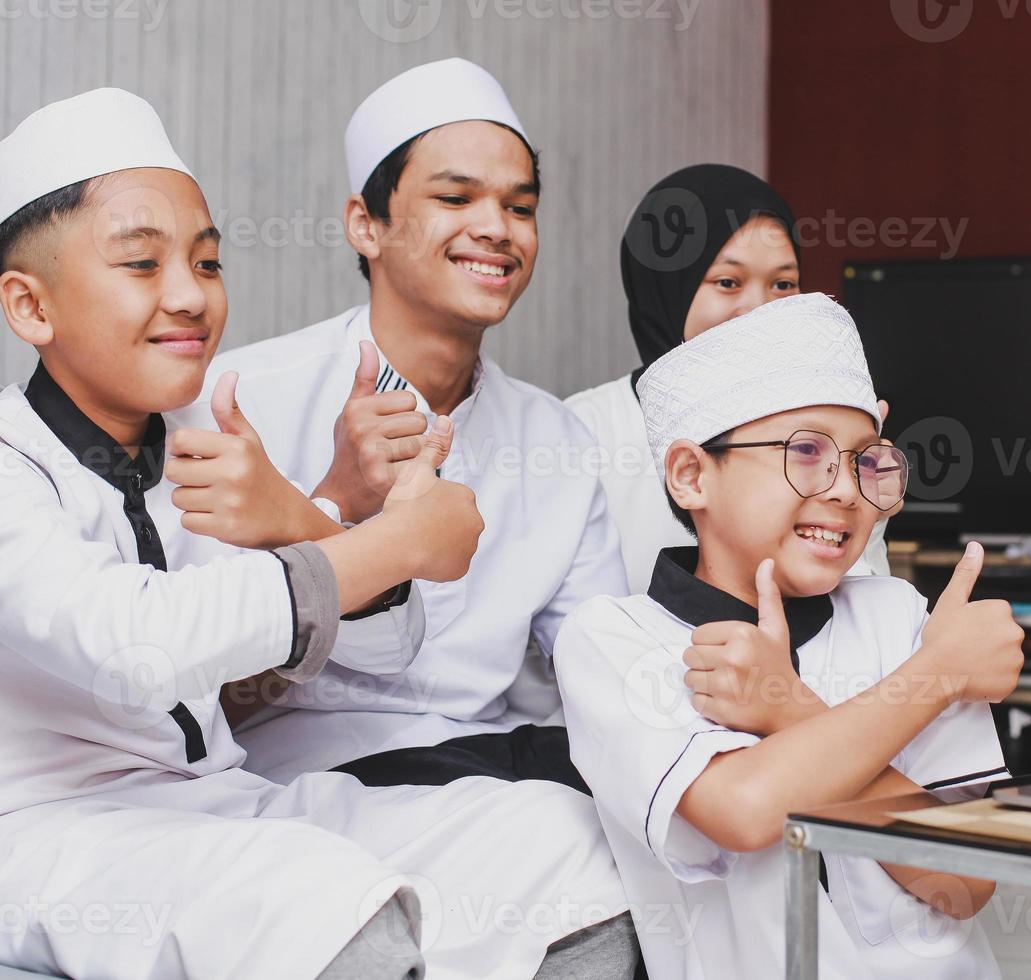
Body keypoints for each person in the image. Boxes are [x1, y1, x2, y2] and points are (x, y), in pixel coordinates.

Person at [0, 87, 633, 980]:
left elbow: (376, 650)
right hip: (55, 834)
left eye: (208, 263)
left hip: (215, 803)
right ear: (31, 307)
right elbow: (136, 639)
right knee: (309, 892)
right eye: (142, 265)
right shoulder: (10, 466)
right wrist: (399, 539)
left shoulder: (200, 443)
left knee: (556, 842)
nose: (189, 296)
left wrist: (309, 518)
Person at [180, 58, 628, 795]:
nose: (496, 229)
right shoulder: (241, 399)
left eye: (521, 208)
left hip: (494, 769)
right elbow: (195, 684)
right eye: (457, 197)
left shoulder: (557, 442)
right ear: (367, 224)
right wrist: (334, 507)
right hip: (295, 780)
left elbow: (600, 664)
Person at [556, 292, 1025, 979]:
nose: (845, 490)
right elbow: (744, 810)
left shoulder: (900, 617)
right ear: (691, 475)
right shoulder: (615, 641)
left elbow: (964, 885)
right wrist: (937, 676)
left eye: (868, 461)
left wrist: (792, 708)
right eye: (807, 451)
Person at [566, 164, 890, 592]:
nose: (761, 310)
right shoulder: (581, 432)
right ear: (664, 290)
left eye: (783, 284)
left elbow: (860, 620)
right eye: (727, 281)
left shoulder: (839, 433)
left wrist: (859, 468)